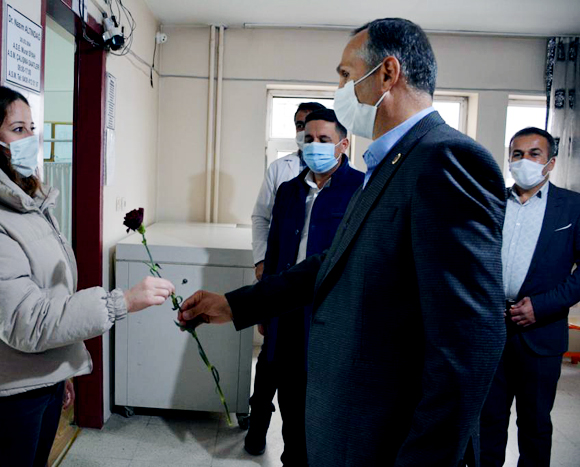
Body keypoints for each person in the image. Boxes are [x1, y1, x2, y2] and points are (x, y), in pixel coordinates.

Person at [179, 18, 507, 466]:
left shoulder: (444, 159)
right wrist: (236, 305)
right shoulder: (389, 163)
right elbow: (332, 262)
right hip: (353, 424)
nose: (339, 90)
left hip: (389, 437)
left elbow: (468, 345)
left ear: (387, 74)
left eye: (346, 75)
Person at [0, 85, 174, 467]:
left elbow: (48, 296)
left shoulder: (21, 205)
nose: (31, 140)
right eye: (18, 129)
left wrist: (59, 371)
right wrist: (119, 303)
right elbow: (28, 322)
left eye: (32, 128)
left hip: (34, 386)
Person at [245, 109, 364, 463]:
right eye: (308, 138)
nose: (314, 145)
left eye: (324, 139)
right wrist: (264, 308)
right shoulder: (289, 191)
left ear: (343, 145)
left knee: (326, 418)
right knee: (292, 412)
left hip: (332, 320)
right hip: (287, 316)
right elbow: (275, 253)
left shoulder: (361, 189)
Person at [480, 127, 580, 467]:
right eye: (517, 154)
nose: (525, 161)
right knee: (486, 423)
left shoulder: (572, 207)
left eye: (534, 154)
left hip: (541, 333)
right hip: (491, 331)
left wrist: (542, 306)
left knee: (535, 425)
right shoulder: (491, 203)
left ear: (550, 162)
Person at [251, 101, 326, 281]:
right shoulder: (278, 168)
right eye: (300, 125)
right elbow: (261, 216)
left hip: (321, 267)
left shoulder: (348, 175)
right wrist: (261, 260)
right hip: (283, 265)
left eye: (309, 124)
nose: (304, 130)